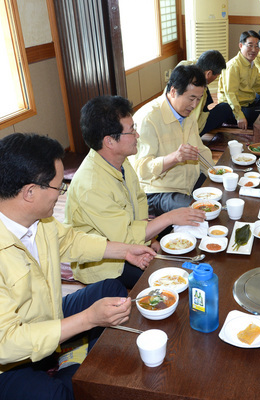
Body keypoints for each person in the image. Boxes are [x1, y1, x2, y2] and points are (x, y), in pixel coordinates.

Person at [0, 133, 156, 399]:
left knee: (111, 289)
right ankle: (70, 363)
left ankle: (68, 354)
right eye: (59, 187)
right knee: (66, 393)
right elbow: (7, 343)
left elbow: (71, 240)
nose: (61, 194)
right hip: (9, 359)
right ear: (29, 192)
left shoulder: (39, 221)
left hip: (48, 316)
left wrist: (126, 250)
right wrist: (87, 320)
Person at [65, 96, 205, 288]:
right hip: (106, 264)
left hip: (129, 241)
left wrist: (152, 239)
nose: (137, 135)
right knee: (175, 279)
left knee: (184, 257)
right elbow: (124, 240)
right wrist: (169, 218)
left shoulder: (120, 160)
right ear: (110, 142)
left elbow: (139, 200)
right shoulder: (91, 185)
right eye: (131, 130)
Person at [131, 64, 214, 216]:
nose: (194, 105)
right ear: (174, 91)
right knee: (197, 212)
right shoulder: (148, 119)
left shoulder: (186, 113)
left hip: (187, 185)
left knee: (219, 196)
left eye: (199, 99)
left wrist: (217, 174)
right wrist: (174, 158)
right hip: (157, 191)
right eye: (191, 98)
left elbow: (200, 150)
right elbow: (141, 170)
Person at [218, 30, 260, 130]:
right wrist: (239, 116)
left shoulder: (252, 65)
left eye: (257, 46)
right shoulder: (233, 66)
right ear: (241, 45)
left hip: (248, 104)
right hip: (232, 109)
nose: (254, 50)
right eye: (250, 45)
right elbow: (230, 94)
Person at [177, 50, 234, 136]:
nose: (216, 78)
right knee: (226, 107)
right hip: (189, 131)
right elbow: (193, 120)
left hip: (175, 122)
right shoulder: (198, 89)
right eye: (216, 76)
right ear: (209, 73)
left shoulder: (184, 65)